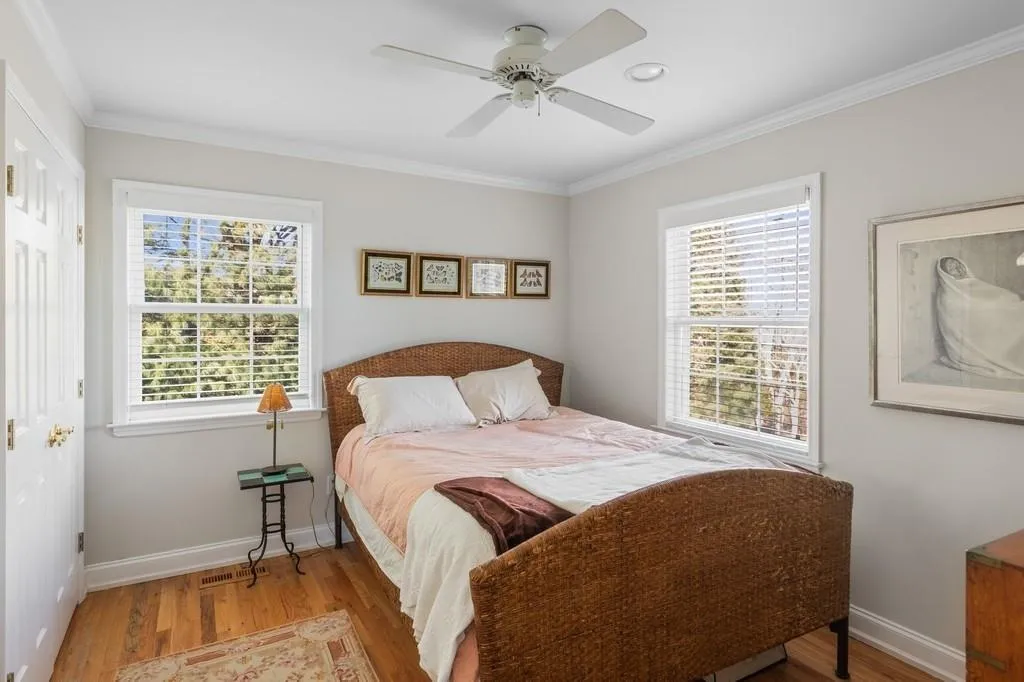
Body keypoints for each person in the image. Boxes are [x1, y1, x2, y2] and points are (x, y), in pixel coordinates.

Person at [935, 256, 1024, 379]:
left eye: (958, 265)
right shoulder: (950, 293)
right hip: (979, 334)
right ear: (945, 274)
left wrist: (1010, 300)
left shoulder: (972, 282)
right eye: (952, 268)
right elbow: (972, 311)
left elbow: (993, 294)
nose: (958, 268)